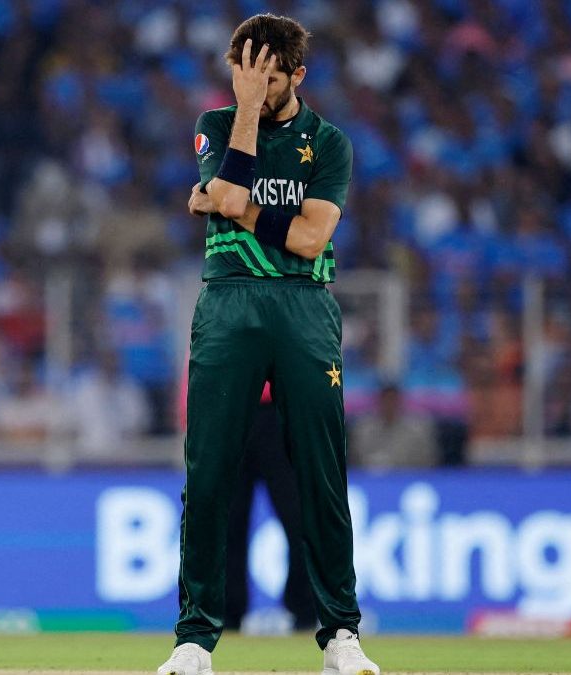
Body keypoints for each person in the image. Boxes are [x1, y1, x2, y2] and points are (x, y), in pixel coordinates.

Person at [160, 14, 379, 675]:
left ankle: (341, 634)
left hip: (304, 303)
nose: (253, 88)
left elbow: (311, 239)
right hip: (228, 299)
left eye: (269, 78)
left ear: (298, 76)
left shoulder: (330, 144)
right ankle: (195, 639)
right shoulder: (218, 123)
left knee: (321, 472)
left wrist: (228, 205)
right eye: (243, 75)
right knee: (207, 476)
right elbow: (223, 189)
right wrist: (244, 121)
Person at [223, 387, 316, 634]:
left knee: (299, 519)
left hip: (281, 409)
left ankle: (304, 608)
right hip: (231, 405)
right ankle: (228, 612)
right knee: (228, 523)